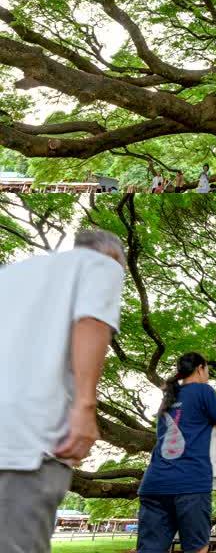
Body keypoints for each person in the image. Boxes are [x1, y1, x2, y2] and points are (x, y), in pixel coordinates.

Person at [0, 230, 126, 553]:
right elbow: (92, 320)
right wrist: (85, 406)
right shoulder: (102, 265)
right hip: (25, 446)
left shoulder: (12, 275)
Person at [136, 352, 216, 553]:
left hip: (154, 485)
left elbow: (191, 413)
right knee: (197, 548)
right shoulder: (203, 390)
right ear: (200, 368)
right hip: (190, 484)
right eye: (207, 369)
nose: (208, 374)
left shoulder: (169, 397)